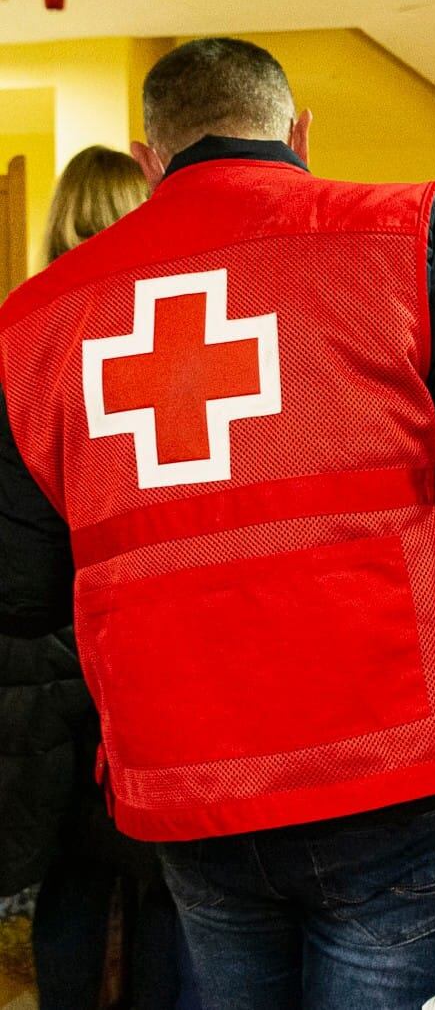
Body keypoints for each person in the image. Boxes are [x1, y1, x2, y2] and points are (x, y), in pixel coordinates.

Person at [0, 38, 435, 1009]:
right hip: (394, 770)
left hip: (188, 785)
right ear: (299, 134)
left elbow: (21, 585)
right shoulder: (402, 238)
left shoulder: (39, 318)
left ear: (149, 159)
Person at [0, 145, 197, 1010]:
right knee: (161, 885)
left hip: (37, 662)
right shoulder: (167, 329)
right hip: (141, 648)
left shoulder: (23, 327)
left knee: (67, 879)